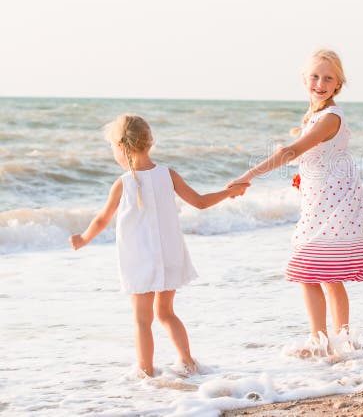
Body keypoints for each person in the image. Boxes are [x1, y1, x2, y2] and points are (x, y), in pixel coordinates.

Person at [69, 114, 248, 377]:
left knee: (143, 321)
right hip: (170, 256)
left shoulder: (123, 183)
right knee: (166, 313)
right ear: (149, 144)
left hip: (140, 260)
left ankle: (146, 372)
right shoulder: (168, 174)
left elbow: (102, 219)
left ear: (122, 148)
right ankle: (188, 362)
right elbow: (199, 202)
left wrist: (82, 239)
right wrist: (229, 192)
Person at [228, 49, 363, 354]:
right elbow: (320, 157)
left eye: (328, 78)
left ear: (338, 84)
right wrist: (303, 176)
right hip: (321, 202)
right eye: (314, 76)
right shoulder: (314, 117)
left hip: (333, 205)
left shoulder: (329, 117)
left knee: (311, 271)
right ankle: (339, 341)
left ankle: (321, 340)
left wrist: (248, 175)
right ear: (304, 79)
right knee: (326, 275)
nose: (320, 83)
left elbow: (291, 152)